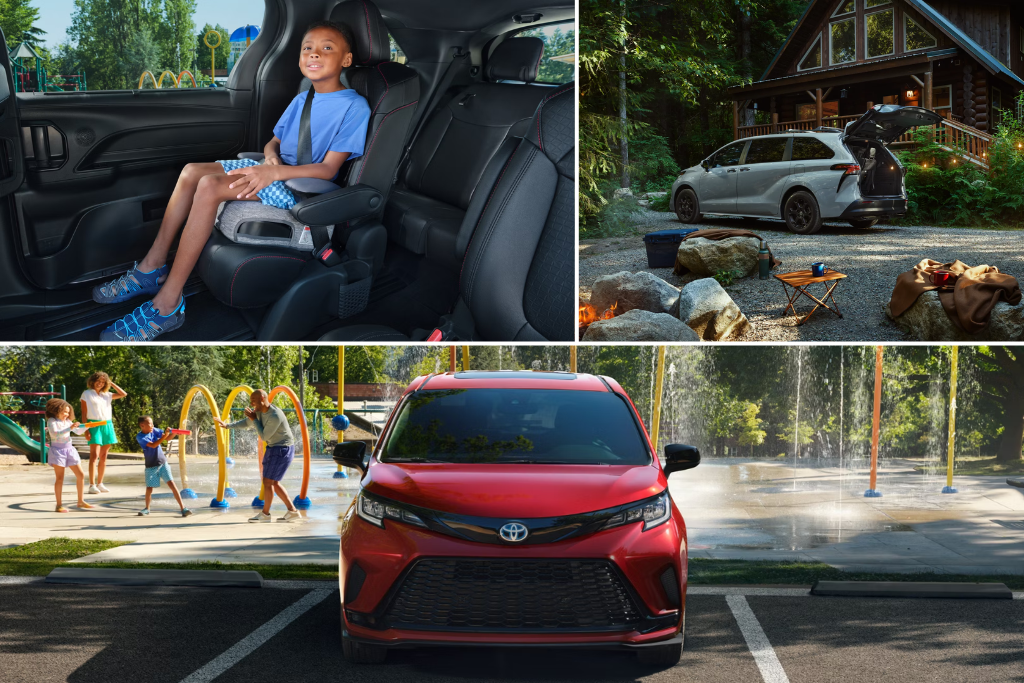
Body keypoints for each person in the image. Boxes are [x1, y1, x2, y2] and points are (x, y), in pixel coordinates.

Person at [93, 20, 371, 342]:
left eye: (327, 48)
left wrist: (274, 172)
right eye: (307, 48)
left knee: (210, 187)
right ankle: (151, 267)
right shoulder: (302, 100)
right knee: (191, 172)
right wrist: (269, 159)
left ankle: (168, 303)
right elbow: (273, 143)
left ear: (347, 60)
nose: (314, 54)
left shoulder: (354, 106)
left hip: (305, 190)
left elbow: (327, 170)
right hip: (277, 173)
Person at [214, 390, 300, 523]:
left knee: (268, 482)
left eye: (253, 399)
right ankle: (292, 511)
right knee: (274, 483)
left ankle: (265, 514)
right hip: (274, 448)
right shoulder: (259, 412)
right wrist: (227, 426)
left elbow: (264, 436)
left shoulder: (275, 415)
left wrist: (254, 419)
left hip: (282, 449)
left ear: (262, 398)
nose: (251, 403)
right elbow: (247, 423)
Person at [135, 416, 192, 517]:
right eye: (150, 424)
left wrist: (174, 432)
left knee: (172, 484)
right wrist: (164, 435)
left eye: (152, 423)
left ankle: (183, 508)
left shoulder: (154, 430)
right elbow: (153, 445)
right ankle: (147, 508)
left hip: (162, 463)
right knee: (149, 488)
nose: (152, 425)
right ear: (142, 425)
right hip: (151, 466)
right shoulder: (140, 437)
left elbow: (167, 438)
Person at [80, 372, 127, 494]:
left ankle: (100, 483)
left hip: (107, 425)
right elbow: (84, 413)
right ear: (93, 381)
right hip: (93, 425)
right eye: (98, 381)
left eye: (102, 382)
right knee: (94, 456)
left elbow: (123, 394)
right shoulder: (86, 394)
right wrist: (86, 430)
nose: (100, 384)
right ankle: (91, 485)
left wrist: (112, 383)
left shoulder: (107, 394)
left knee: (104, 456)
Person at [44, 399, 94, 513]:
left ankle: (80, 501)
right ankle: (59, 505)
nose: (66, 414)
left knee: (80, 475)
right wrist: (70, 428)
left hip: (69, 449)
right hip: (57, 450)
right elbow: (55, 434)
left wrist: (87, 426)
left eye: (67, 412)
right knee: (60, 478)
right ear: (56, 410)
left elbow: (78, 431)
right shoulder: (52, 421)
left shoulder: (67, 421)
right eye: (63, 412)